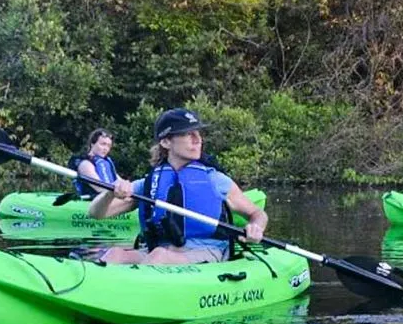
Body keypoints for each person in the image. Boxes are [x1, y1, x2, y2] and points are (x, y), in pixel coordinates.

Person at [86, 106, 267, 265]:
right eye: (188, 134)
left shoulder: (216, 180)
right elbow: (96, 213)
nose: (197, 139)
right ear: (165, 142)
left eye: (198, 134)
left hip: (207, 251)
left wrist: (256, 227)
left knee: (159, 257)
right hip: (160, 252)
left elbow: (257, 213)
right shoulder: (148, 184)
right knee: (115, 254)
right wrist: (110, 193)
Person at [70, 128, 120, 199]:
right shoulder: (85, 163)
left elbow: (119, 181)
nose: (105, 148)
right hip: (91, 202)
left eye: (108, 146)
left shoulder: (106, 163)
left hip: (108, 199)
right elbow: (99, 188)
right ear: (92, 144)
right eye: (103, 144)